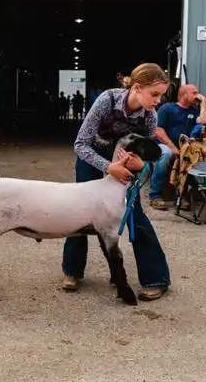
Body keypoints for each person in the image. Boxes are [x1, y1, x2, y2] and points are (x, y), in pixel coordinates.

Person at [62, 63, 171, 301]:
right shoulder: (107, 100)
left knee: (136, 216)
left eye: (161, 95)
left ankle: (156, 278)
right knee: (81, 212)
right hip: (93, 159)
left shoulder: (150, 116)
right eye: (154, 94)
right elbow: (80, 143)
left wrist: (140, 166)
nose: (158, 101)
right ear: (137, 88)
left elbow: (148, 153)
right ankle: (72, 270)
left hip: (125, 168)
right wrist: (108, 167)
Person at [148, 84, 206, 210]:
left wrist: (204, 101)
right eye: (194, 93)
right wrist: (173, 148)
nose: (197, 95)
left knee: (192, 156)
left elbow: (205, 120)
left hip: (185, 147)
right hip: (163, 144)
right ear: (184, 95)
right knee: (166, 155)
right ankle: (155, 195)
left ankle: (180, 197)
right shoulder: (167, 108)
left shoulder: (193, 111)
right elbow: (158, 131)